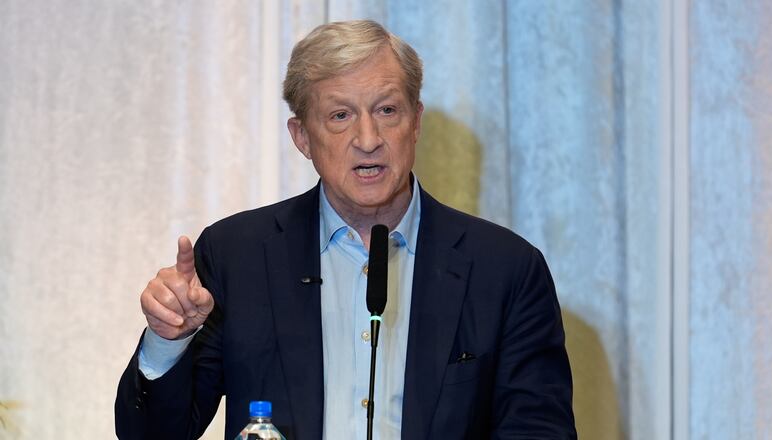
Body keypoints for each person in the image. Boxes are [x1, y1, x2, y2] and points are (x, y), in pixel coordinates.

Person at [115, 19, 576, 439]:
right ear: (301, 138)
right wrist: (167, 341)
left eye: (387, 110)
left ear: (415, 122)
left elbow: (539, 430)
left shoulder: (505, 269)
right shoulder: (237, 255)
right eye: (340, 116)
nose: (369, 139)